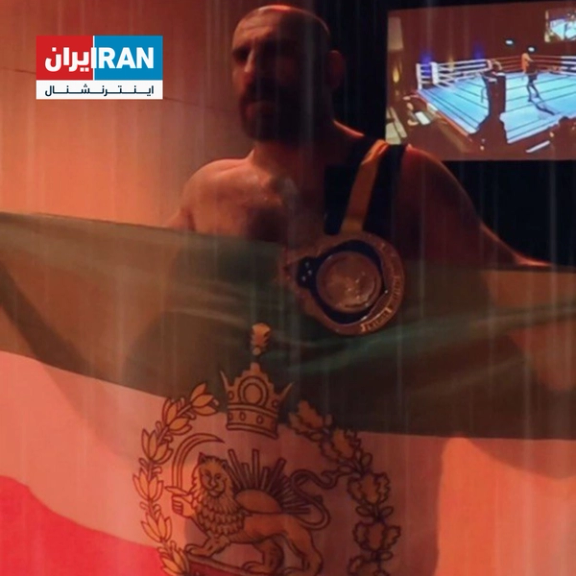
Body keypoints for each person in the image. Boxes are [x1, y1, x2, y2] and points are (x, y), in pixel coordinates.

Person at [168, 4, 545, 267]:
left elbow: (508, 278)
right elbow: (151, 286)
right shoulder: (207, 190)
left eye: (277, 52)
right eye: (241, 56)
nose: (252, 71)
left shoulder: (404, 177)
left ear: (331, 70)